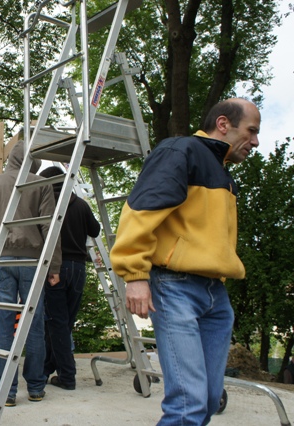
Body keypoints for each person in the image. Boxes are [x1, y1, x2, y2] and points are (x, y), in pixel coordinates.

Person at [110, 98, 261, 425]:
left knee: (207, 398)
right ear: (224, 124)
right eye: (251, 131)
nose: (256, 141)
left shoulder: (224, 174)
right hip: (175, 287)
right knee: (187, 404)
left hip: (216, 297)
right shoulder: (181, 151)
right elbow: (141, 212)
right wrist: (135, 274)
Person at [0, 139, 62, 406]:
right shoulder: (41, 183)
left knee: (4, 328)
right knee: (33, 326)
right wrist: (54, 265)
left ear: (12, 157)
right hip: (32, 261)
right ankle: (35, 388)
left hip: (0, 261)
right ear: (34, 160)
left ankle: (6, 391)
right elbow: (50, 227)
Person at [38, 166, 100, 391]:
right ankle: (46, 369)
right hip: (79, 269)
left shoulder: (46, 204)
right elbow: (95, 230)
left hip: (56, 268)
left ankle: (67, 376)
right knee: (64, 323)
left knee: (56, 324)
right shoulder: (80, 204)